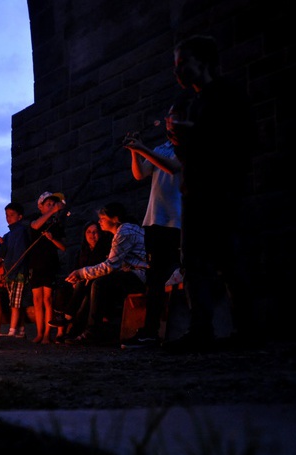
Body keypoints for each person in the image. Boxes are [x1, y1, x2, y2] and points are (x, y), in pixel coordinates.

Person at [161, 34, 259, 353]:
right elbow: (191, 154)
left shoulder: (228, 94)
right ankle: (200, 329)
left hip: (223, 189)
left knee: (229, 260)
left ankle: (247, 330)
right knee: (193, 261)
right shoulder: (193, 101)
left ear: (202, 62)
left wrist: (195, 135)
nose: (178, 72)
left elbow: (240, 141)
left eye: (183, 64)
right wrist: (178, 139)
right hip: (195, 191)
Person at [119, 104, 183, 349]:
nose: (170, 121)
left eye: (175, 117)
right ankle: (149, 332)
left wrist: (142, 148)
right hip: (154, 221)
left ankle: (151, 332)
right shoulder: (161, 148)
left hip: (175, 220)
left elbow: (172, 167)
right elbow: (139, 174)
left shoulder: (184, 147)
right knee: (154, 277)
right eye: (169, 117)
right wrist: (134, 152)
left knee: (159, 276)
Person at [65, 202, 148, 345]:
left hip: (140, 276)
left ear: (114, 218)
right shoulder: (125, 230)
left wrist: (82, 272)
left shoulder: (124, 232)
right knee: (93, 281)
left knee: (99, 283)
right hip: (132, 273)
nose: (99, 222)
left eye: (102, 218)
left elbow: (110, 266)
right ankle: (78, 328)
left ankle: (91, 332)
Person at [49, 220, 113, 343]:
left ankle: (71, 326)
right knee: (63, 287)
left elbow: (103, 269)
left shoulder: (105, 250)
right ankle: (63, 325)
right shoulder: (82, 251)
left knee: (86, 296)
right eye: (89, 232)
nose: (92, 235)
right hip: (81, 284)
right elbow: (76, 269)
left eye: (95, 232)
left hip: (95, 285)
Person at [28, 192, 67, 344]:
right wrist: (53, 210)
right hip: (35, 264)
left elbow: (63, 247)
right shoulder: (35, 220)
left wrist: (52, 239)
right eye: (48, 204)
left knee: (48, 299)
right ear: (41, 206)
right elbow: (35, 226)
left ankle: (46, 334)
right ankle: (39, 333)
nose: (51, 207)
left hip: (50, 263)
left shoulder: (56, 224)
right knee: (37, 300)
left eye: (53, 204)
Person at [0, 202, 30, 338]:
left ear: (20, 216)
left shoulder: (21, 231)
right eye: (7, 215)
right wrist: (2, 245)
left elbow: (20, 253)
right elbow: (4, 255)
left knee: (15, 303)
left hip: (18, 273)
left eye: (12, 215)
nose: (8, 217)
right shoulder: (8, 235)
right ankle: (21, 330)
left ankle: (12, 330)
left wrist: (15, 270)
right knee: (16, 302)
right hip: (10, 273)